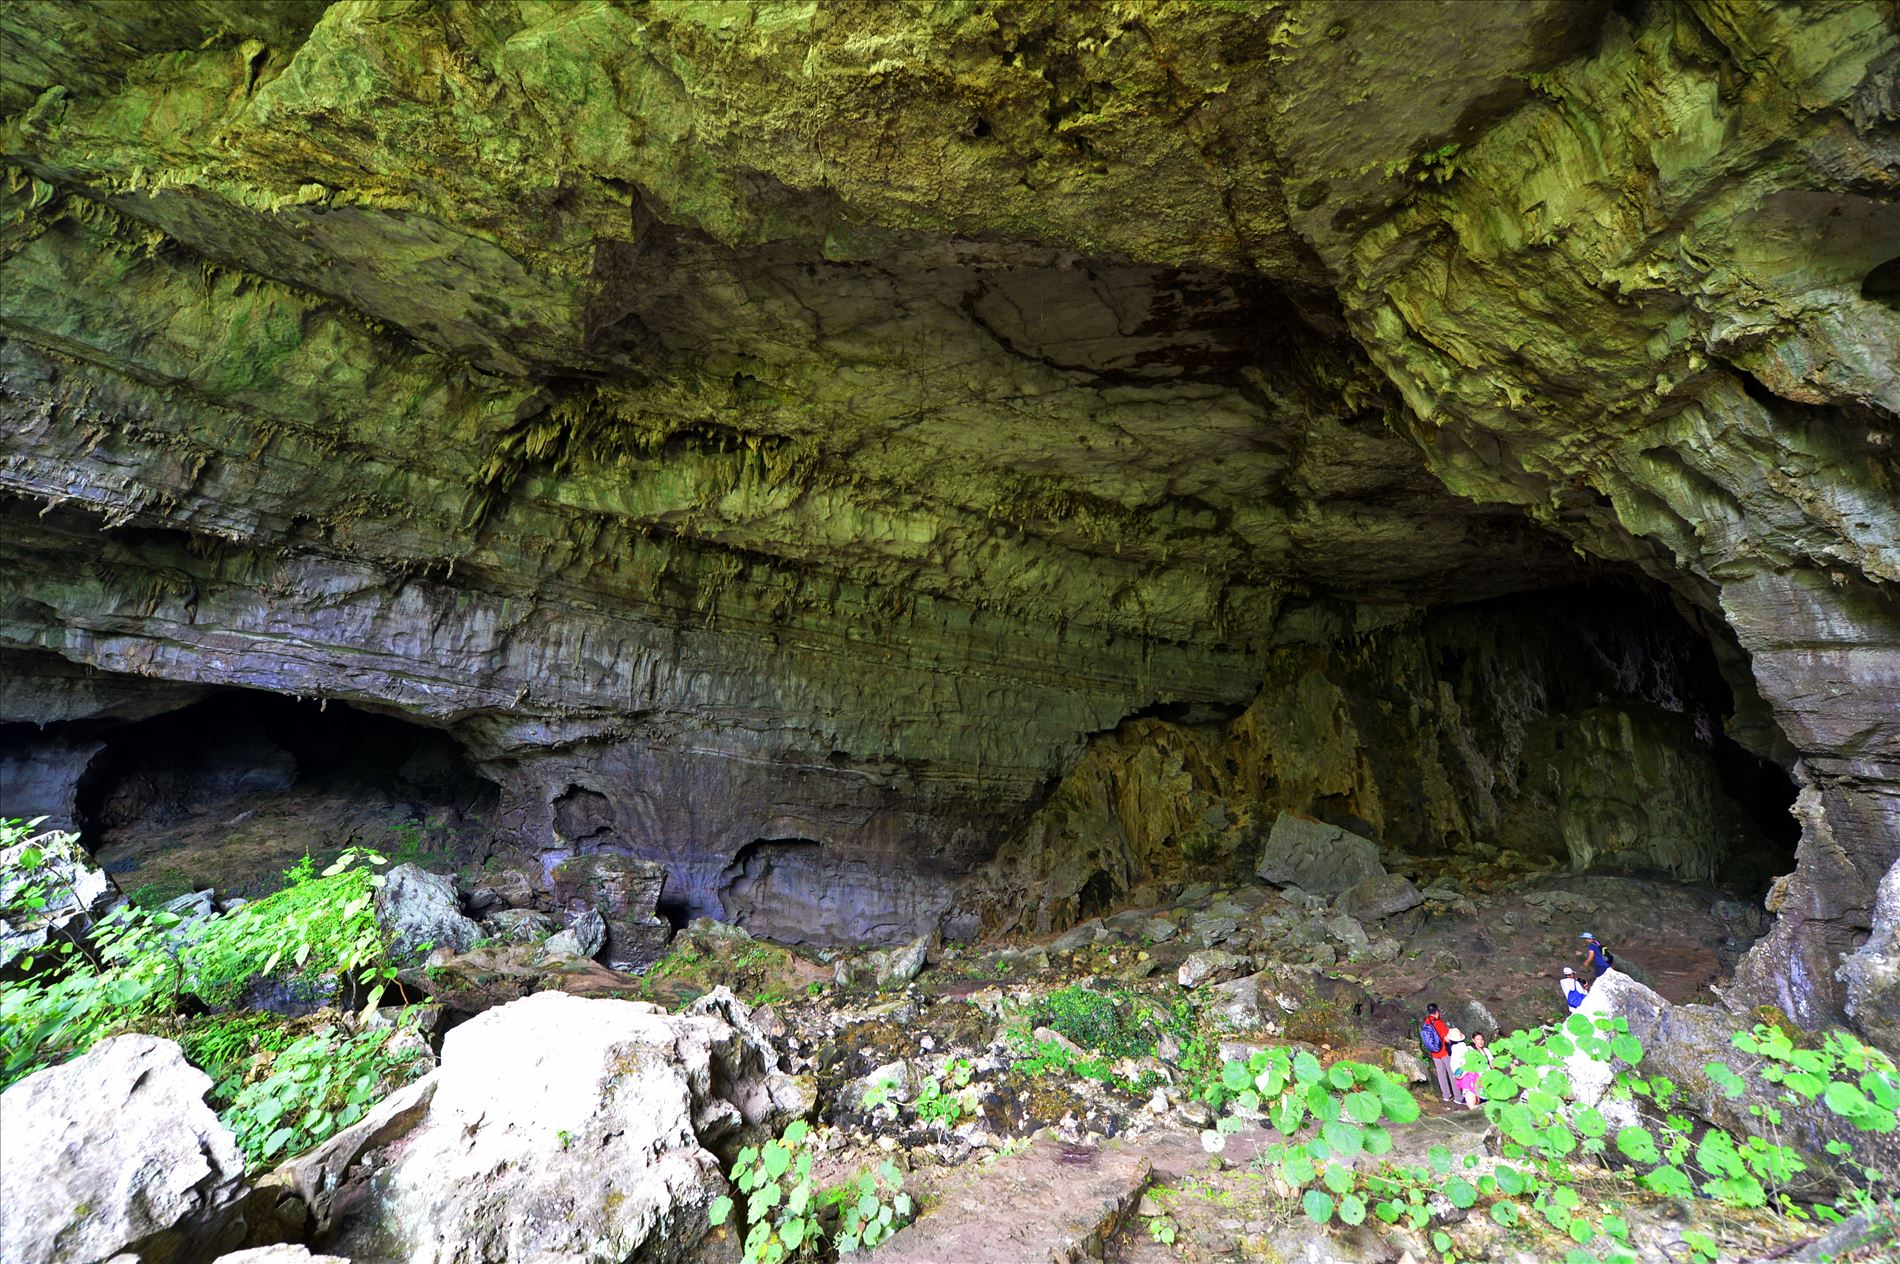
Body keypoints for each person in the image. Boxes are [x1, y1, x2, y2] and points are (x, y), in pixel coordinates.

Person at [1421, 1003, 1453, 1103]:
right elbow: (1447, 1039)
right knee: (1451, 1073)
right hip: (1444, 1052)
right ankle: (1458, 1096)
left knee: (1441, 1074)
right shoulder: (1439, 1023)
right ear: (1437, 1012)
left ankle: (1446, 1096)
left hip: (1434, 1053)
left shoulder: (1426, 1023)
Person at [1459, 1031, 1492, 1108]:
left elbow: (1492, 1065)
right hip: (1474, 1078)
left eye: (1481, 1039)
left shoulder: (1486, 1051)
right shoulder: (1469, 1050)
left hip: (1486, 1077)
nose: (1480, 1041)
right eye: (1478, 1039)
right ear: (1473, 1040)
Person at [1445, 1027, 1471, 1109]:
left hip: (1459, 1070)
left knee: (1466, 1087)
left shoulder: (1454, 1048)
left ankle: (1469, 1101)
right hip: (1466, 1069)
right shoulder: (1464, 1047)